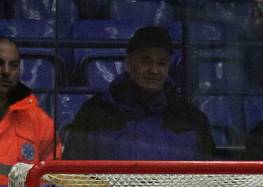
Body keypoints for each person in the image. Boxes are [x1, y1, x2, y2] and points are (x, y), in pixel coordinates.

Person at [62, 26, 216, 160]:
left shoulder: (191, 118)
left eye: (161, 63)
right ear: (129, 64)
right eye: (146, 61)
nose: (154, 70)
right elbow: (72, 177)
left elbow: (210, 180)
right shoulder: (94, 113)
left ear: (168, 67)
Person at [0, 37, 61, 185]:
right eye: (0, 63)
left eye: (13, 65)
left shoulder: (39, 122)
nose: (6, 71)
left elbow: (53, 178)